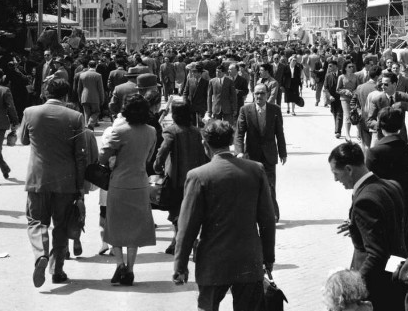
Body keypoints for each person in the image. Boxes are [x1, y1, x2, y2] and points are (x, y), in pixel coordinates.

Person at [174, 119, 276, 311]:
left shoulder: (198, 176)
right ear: (230, 141)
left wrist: (180, 266)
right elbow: (267, 220)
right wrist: (268, 257)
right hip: (249, 259)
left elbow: (187, 227)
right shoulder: (256, 169)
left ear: (205, 144)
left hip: (213, 261)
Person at [19, 78, 86, 287]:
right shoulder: (75, 116)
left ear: (46, 92)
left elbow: (23, 140)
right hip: (66, 181)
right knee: (61, 225)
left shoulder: (30, 112)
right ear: (66, 96)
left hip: (38, 178)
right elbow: (80, 156)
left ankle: (41, 254)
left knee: (36, 221)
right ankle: (58, 270)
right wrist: (80, 185)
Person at [329, 142, 408, 311]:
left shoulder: (364, 201)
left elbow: (376, 254)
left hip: (377, 286)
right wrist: (356, 226)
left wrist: (352, 289)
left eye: (336, 173)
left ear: (349, 169)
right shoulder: (392, 186)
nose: (335, 179)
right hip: (397, 274)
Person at [99, 94, 158, 286]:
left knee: (115, 226)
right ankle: (131, 269)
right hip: (140, 182)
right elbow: (149, 157)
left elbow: (102, 158)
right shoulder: (151, 131)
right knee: (134, 228)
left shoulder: (119, 131)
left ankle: (120, 265)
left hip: (119, 183)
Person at [154, 99, 209, 255]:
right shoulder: (197, 131)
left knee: (177, 211)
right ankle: (180, 241)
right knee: (190, 210)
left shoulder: (171, 131)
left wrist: (157, 166)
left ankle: (182, 242)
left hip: (176, 179)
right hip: (196, 178)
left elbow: (163, 150)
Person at [235, 84, 287, 222]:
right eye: (256, 93)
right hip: (251, 155)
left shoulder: (275, 110)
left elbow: (279, 132)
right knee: (252, 186)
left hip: (269, 154)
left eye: (262, 93)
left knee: (270, 185)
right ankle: (252, 214)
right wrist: (239, 151)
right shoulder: (245, 110)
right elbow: (239, 133)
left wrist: (283, 152)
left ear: (267, 94)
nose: (259, 96)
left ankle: (273, 214)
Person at [77, 60, 105, 130]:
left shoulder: (82, 75)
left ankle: (87, 131)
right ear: (96, 66)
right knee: (96, 112)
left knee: (86, 114)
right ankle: (91, 123)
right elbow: (100, 89)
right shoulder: (98, 75)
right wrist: (102, 99)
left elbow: (79, 89)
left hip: (84, 97)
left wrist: (80, 98)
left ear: (88, 66)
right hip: (95, 98)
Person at [337, 62, 361, 142]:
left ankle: (359, 133)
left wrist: (354, 92)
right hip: (345, 99)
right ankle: (347, 135)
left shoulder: (355, 76)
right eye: (349, 67)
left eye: (352, 66)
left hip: (354, 98)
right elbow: (337, 90)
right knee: (348, 116)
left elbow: (359, 87)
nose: (351, 68)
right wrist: (345, 91)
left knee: (356, 115)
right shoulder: (341, 77)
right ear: (345, 68)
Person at [324, 61, 344, 139]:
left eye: (330, 66)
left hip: (341, 98)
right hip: (332, 99)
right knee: (335, 113)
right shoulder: (328, 76)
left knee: (339, 114)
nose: (329, 67)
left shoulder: (342, 75)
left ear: (335, 66)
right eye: (328, 66)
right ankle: (337, 128)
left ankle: (338, 131)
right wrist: (329, 96)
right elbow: (325, 88)